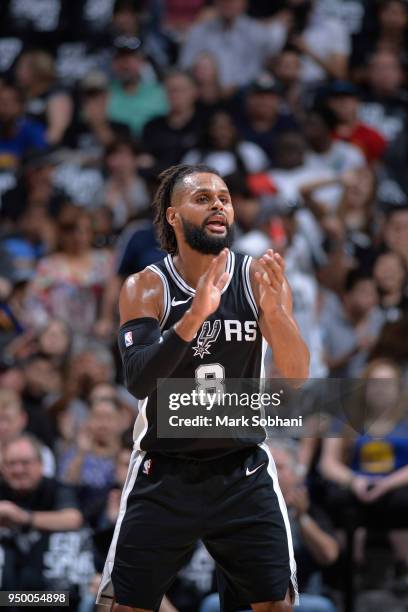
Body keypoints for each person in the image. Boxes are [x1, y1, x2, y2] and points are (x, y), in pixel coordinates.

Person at [96, 163, 310, 611]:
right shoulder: (146, 287)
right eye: (203, 197)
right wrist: (194, 316)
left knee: (276, 605)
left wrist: (278, 316)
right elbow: (138, 380)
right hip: (164, 470)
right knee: (125, 607)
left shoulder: (257, 279)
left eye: (225, 198)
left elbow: (294, 380)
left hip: (242, 471)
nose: (218, 204)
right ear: (173, 217)